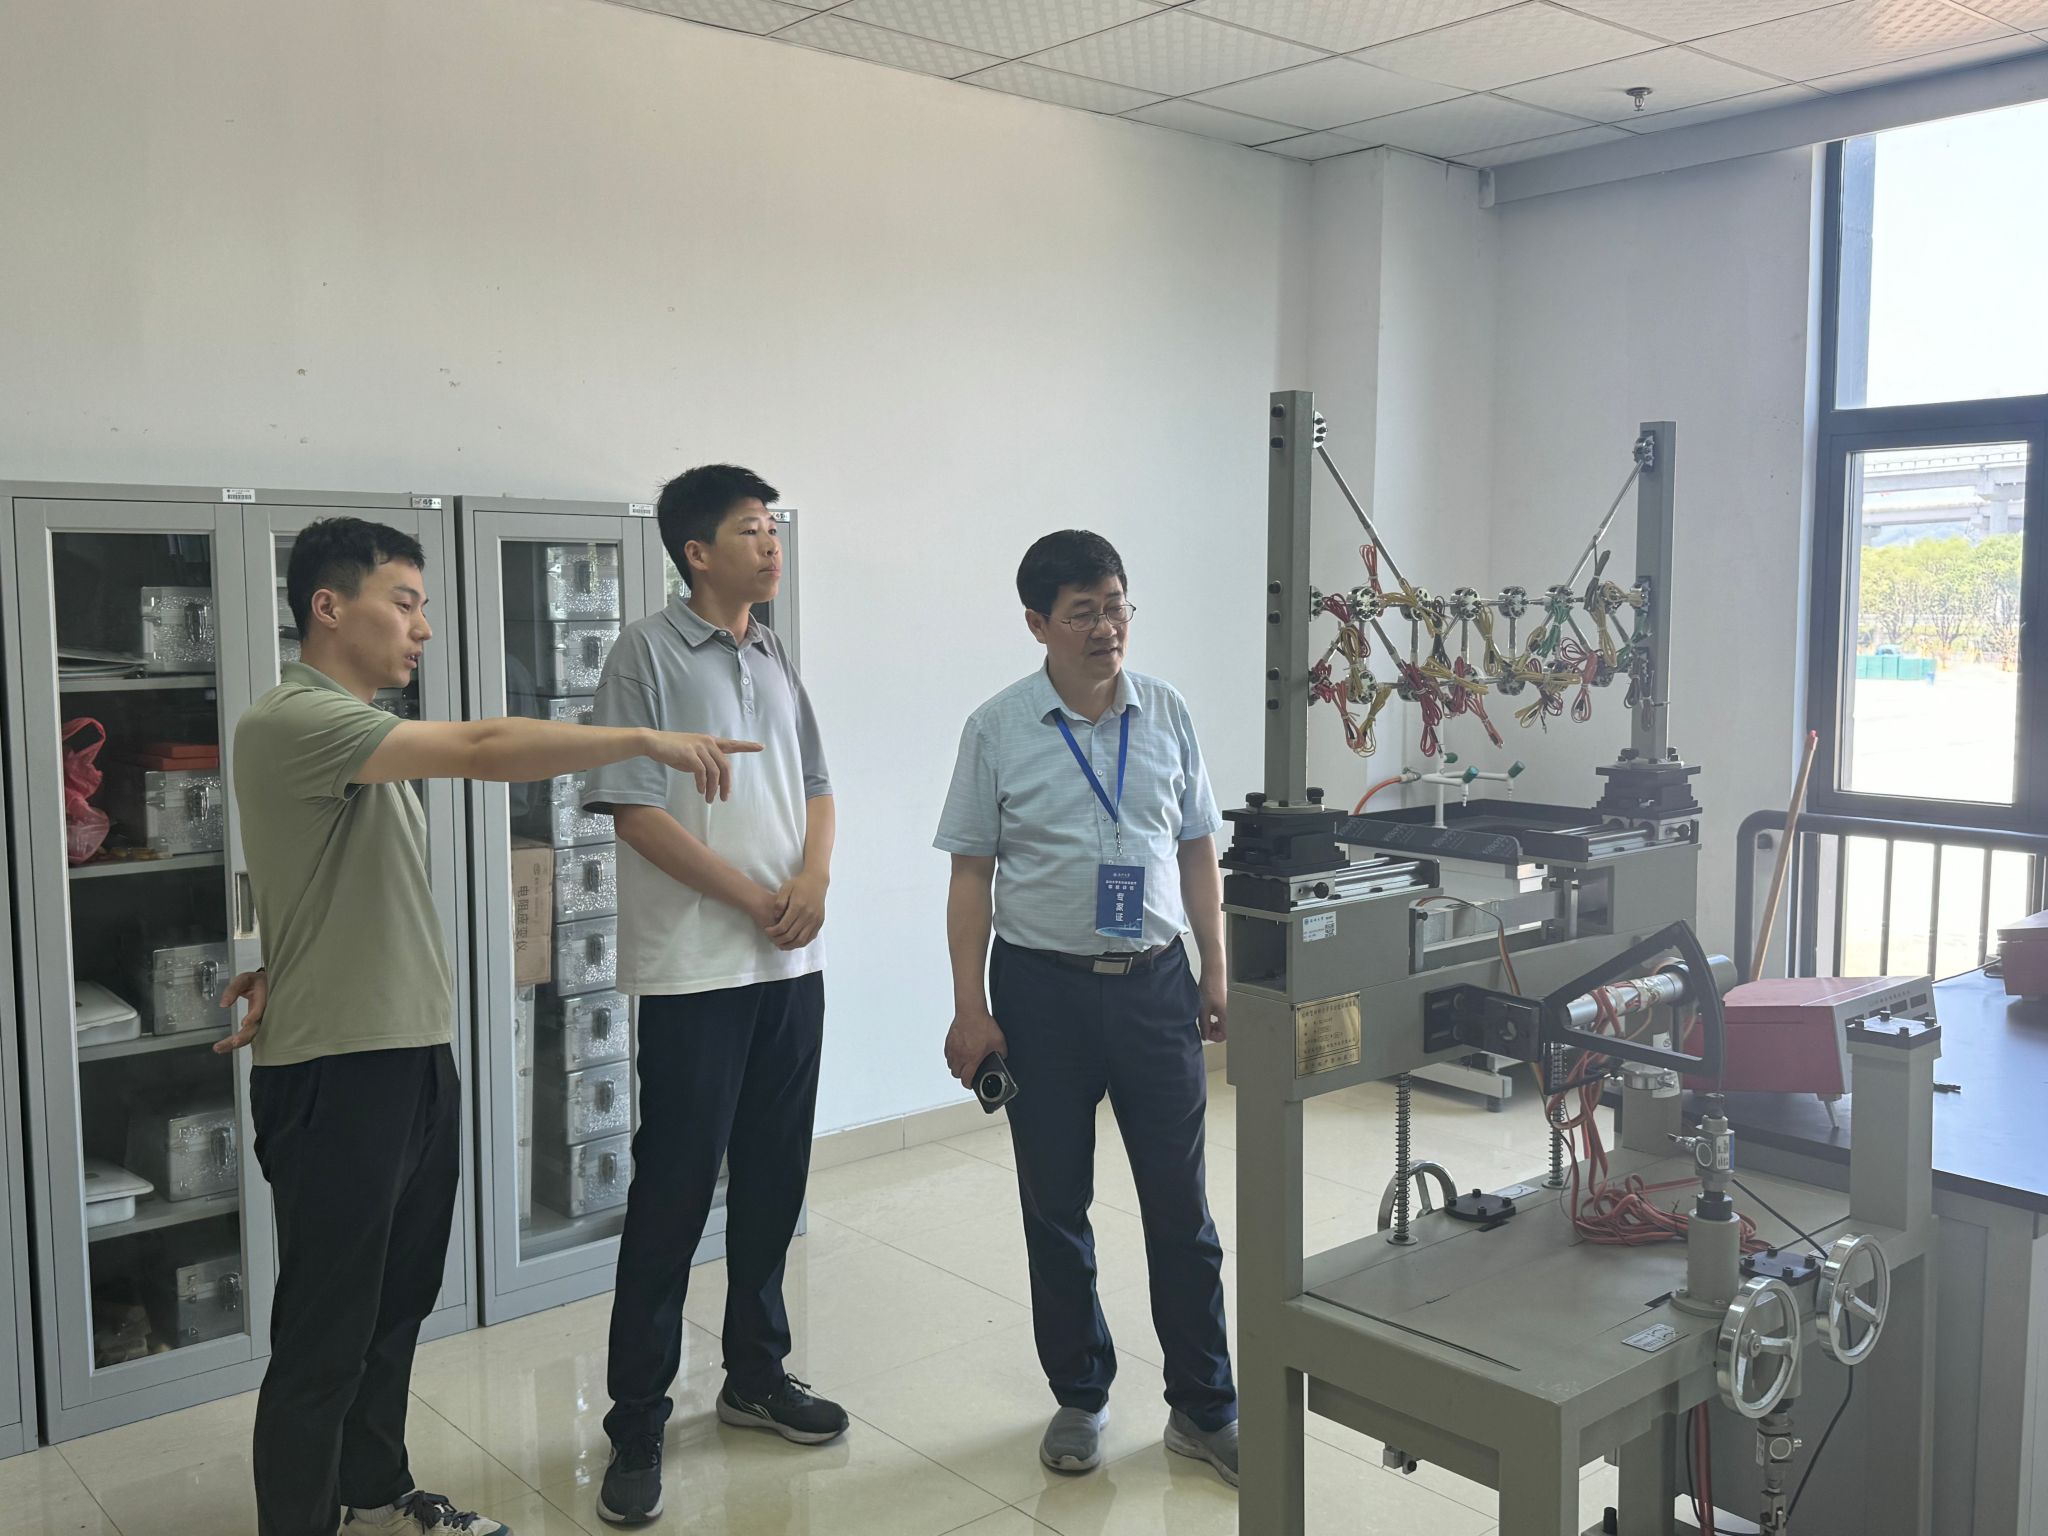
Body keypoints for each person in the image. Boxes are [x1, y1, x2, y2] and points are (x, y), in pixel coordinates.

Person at [222, 517, 758, 1536]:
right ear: (328, 607)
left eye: (424, 606)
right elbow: (479, 747)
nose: (422, 628)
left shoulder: (353, 731)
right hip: (341, 1070)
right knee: (325, 1332)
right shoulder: (295, 719)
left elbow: (321, 882)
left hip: (406, 1057)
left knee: (395, 1305)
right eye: (404, 603)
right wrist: (643, 739)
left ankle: (372, 1491)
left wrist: (279, 960)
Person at [935, 529, 1239, 1486]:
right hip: (1042, 994)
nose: (1107, 628)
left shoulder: (1169, 712)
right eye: (1083, 614)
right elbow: (971, 876)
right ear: (1038, 625)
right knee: (1055, 1204)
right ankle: (1080, 1393)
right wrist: (971, 1007)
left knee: (1180, 1208)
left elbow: (1196, 848)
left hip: (1154, 985)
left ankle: (1204, 1406)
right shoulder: (997, 727)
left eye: (1116, 607)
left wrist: (1216, 968)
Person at [582, 465, 842, 1527]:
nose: (771, 544)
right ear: (696, 552)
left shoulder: (773, 652)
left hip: (790, 966)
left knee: (775, 1180)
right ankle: (637, 1415)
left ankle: (756, 1375)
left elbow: (816, 786)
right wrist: (752, 898)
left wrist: (813, 879)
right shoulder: (644, 652)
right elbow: (632, 810)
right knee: (674, 1191)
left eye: (773, 528)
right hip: (696, 969)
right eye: (750, 529)